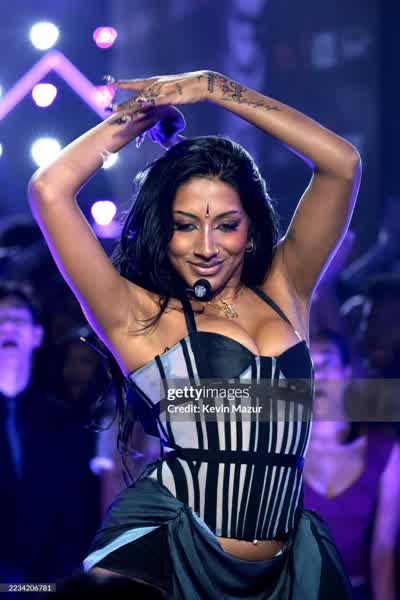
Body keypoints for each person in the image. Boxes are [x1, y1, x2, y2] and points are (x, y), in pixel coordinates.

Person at [28, 69, 361, 598]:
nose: (206, 246)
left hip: (285, 573)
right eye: (185, 225)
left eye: (226, 224)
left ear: (250, 228)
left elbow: (340, 164)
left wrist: (212, 87)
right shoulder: (137, 315)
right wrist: (138, 118)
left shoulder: (287, 288)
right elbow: (49, 189)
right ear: (163, 230)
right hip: (173, 560)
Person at [0, 281, 100, 588]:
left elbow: (77, 509)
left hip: (47, 582)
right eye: (0, 320)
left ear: (37, 335)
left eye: (17, 319)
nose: (8, 327)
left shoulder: (66, 421)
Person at [303, 329, 400, 600]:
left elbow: (383, 550)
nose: (318, 374)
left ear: (346, 373)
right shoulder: (282, 449)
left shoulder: (385, 451)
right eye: (310, 366)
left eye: (327, 363)